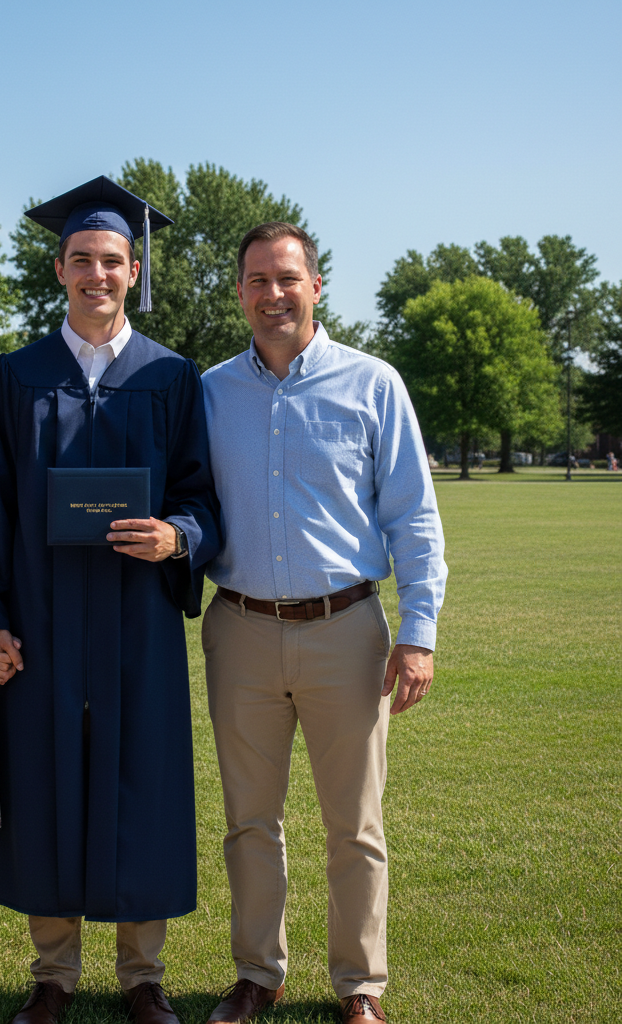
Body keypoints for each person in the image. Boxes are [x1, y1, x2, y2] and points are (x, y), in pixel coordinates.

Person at [0, 176, 221, 1024]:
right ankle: (53, 975)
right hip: (42, 622)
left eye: (112, 260)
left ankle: (142, 977)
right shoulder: (16, 376)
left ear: (133, 268)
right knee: (45, 781)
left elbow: (202, 497)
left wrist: (178, 538)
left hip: (137, 625)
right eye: (81, 259)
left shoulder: (171, 377)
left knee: (140, 782)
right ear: (58, 270)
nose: (97, 274)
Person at [200, 223, 447, 1024]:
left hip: (349, 629)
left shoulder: (373, 384)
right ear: (239, 292)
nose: (273, 294)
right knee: (248, 820)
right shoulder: (206, 393)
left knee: (356, 824)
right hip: (239, 628)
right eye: (257, 281)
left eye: (287, 278)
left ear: (316, 285)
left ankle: (359, 987)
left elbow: (414, 517)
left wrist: (419, 632)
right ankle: (256, 973)